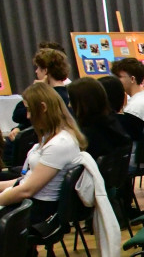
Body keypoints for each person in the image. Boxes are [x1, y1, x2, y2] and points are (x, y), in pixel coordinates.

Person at [0, 83, 87, 223]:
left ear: (43, 107)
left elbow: (26, 190)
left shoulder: (60, 144)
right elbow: (25, 181)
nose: (28, 116)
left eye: (29, 110)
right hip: (31, 203)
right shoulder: (52, 137)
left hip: (38, 210)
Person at [6, 48, 72, 145]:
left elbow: (18, 115)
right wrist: (20, 127)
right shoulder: (68, 92)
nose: (36, 71)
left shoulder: (49, 96)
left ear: (45, 71)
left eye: (38, 68)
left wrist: (36, 90)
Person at [67, 77, 131, 159]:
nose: (69, 105)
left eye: (71, 101)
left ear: (83, 104)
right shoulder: (113, 123)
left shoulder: (87, 135)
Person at [111, 58, 144, 127]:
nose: (115, 81)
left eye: (119, 77)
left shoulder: (134, 107)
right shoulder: (143, 97)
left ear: (132, 79)